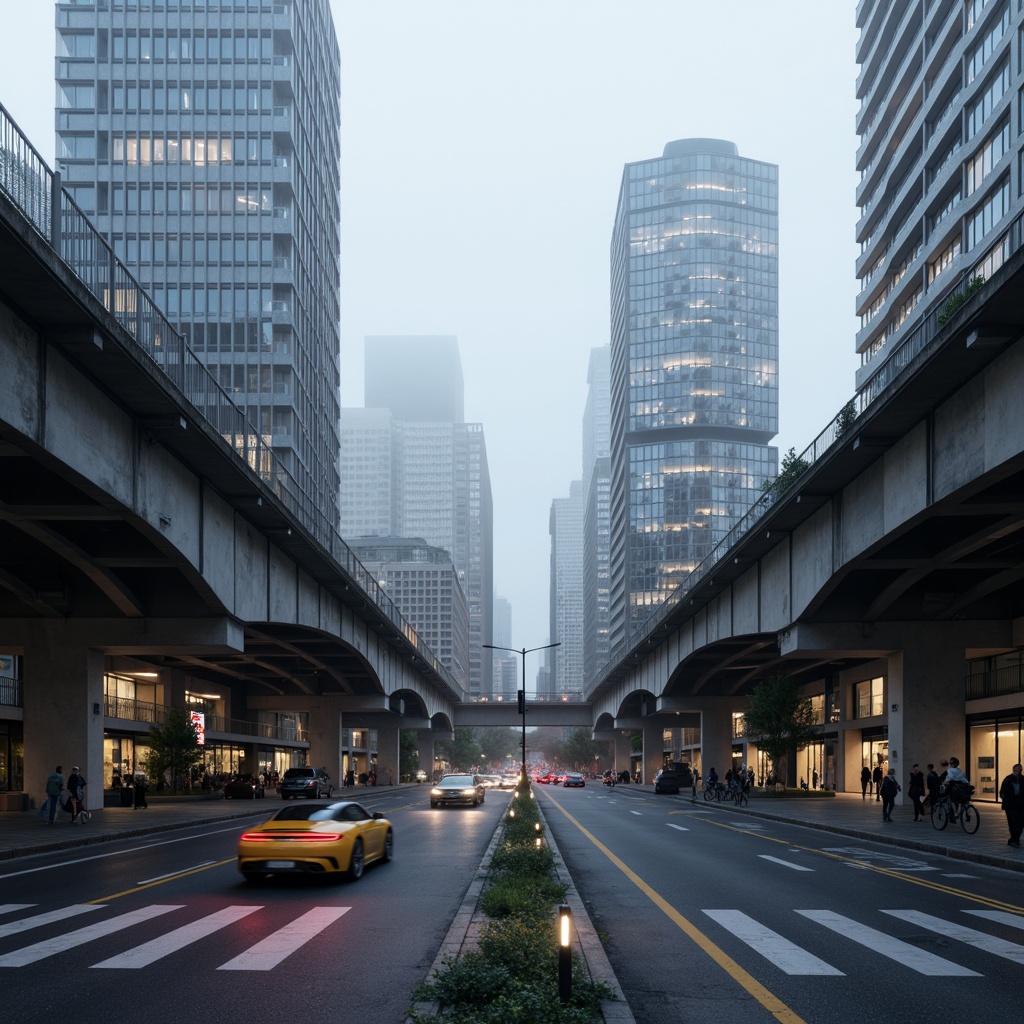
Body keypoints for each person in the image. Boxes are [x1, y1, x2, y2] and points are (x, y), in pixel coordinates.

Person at [998, 763, 1023, 848]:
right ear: (1014, 770)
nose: (1019, 771)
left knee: (1021, 822)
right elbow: (1003, 792)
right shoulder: (1008, 779)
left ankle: (1015, 839)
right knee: (1013, 822)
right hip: (1011, 805)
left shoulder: (1022, 779)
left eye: (1020, 769)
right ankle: (1014, 840)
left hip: (1021, 805)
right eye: (1017, 770)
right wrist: (1006, 799)